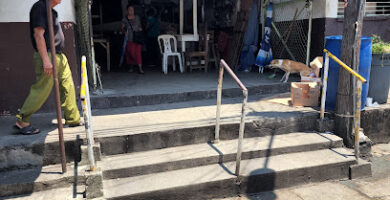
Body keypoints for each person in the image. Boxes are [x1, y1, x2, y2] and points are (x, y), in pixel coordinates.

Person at [15, 0, 82, 135]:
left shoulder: (52, 11)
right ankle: (23, 120)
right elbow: (38, 34)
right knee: (42, 88)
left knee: (67, 86)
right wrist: (46, 60)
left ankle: (72, 118)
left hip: (58, 55)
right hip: (48, 55)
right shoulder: (40, 7)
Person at [122, 4, 145, 74]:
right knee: (130, 53)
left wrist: (140, 29)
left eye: (132, 10)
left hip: (137, 38)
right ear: (127, 10)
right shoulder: (125, 19)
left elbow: (140, 25)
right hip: (129, 38)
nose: (131, 11)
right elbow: (122, 27)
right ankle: (131, 67)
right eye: (129, 10)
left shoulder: (137, 18)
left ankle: (140, 68)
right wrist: (124, 31)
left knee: (138, 53)